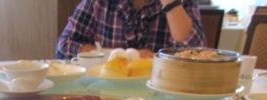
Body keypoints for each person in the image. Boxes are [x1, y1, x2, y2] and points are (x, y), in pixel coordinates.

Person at [56, 0, 206, 59]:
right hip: (106, 95)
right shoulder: (98, 2)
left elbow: (197, 56)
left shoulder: (183, 3)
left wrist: (171, 4)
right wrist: (118, 56)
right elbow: (64, 46)